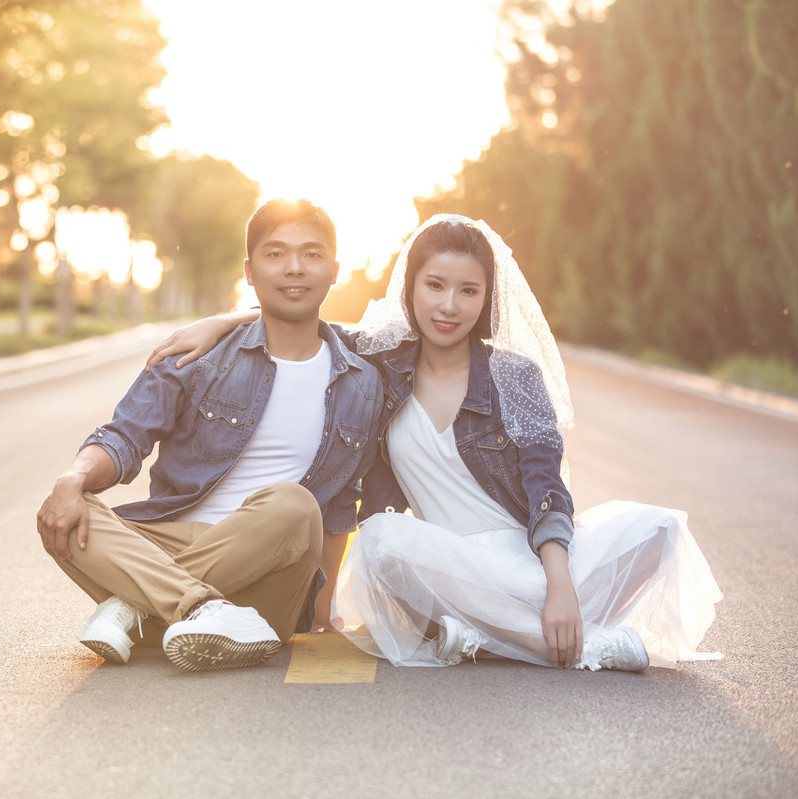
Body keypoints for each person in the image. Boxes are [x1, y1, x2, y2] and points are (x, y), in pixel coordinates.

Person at [147, 213, 722, 671]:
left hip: (527, 558)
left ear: (486, 298)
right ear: (411, 289)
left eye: (468, 291)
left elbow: (547, 486)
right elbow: (303, 319)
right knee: (383, 541)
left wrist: (560, 585)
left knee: (662, 526)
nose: (450, 306)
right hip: (445, 566)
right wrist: (221, 322)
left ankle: (491, 637)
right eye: (436, 286)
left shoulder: (514, 375)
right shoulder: (379, 365)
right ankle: (582, 647)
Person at [36, 198, 385, 673]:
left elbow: (340, 505)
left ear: (334, 270)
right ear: (250, 270)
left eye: (312, 254)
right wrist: (72, 479)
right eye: (275, 254)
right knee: (67, 513)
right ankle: (199, 610)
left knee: (294, 503)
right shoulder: (197, 358)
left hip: (275, 569)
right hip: (174, 539)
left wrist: (323, 614)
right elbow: (124, 436)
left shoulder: (363, 382)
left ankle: (136, 604)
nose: (294, 268)